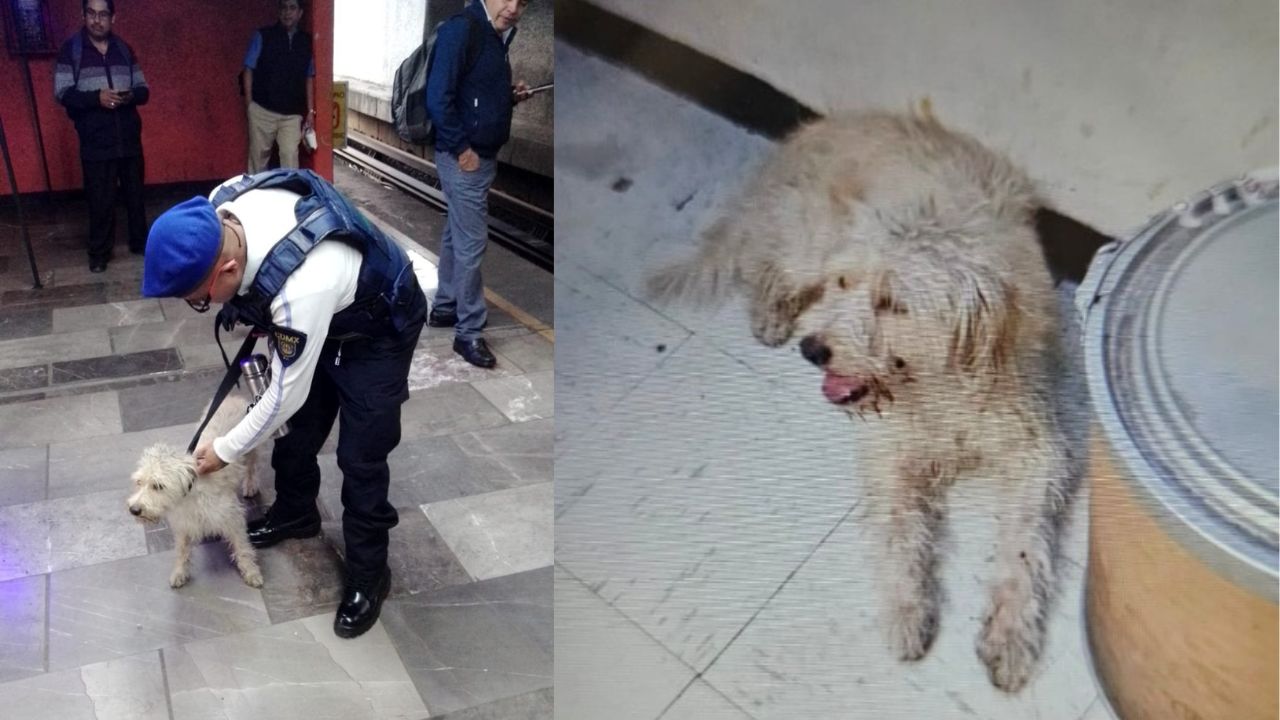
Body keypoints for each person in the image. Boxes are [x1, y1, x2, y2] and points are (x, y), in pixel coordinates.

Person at [140, 169, 427, 639]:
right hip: (326, 316)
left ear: (228, 270)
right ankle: (297, 511)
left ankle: (369, 572)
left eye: (201, 300)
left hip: (379, 330)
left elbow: (283, 395)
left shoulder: (303, 286)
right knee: (296, 435)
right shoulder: (221, 204)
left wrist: (226, 449)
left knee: (361, 458)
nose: (206, 307)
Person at [424, 0, 532, 368]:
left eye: (524, 2)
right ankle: (468, 332)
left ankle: (445, 306)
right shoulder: (462, 29)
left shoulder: (496, 35)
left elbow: (476, 92)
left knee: (457, 234)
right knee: (472, 243)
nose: (515, 7)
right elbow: (439, 96)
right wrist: (462, 148)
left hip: (481, 156)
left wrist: (508, 96)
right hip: (465, 158)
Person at [53, 0, 150, 273]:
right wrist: (97, 98)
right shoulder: (71, 50)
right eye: (92, 14)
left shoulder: (123, 49)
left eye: (103, 14)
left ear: (113, 18)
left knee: (135, 195)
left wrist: (130, 95)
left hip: (129, 137)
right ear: (83, 16)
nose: (97, 20)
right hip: (95, 141)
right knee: (100, 199)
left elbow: (144, 89)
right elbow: (62, 93)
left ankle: (140, 243)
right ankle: (99, 253)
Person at [242, 0, 315, 172]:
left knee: (290, 160)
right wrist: (249, 105)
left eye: (292, 8)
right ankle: (255, 197)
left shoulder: (305, 41)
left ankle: (287, 197)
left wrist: (310, 111)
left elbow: (309, 76)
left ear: (300, 13)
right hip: (262, 111)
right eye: (283, 8)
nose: (287, 13)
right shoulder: (263, 35)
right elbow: (248, 69)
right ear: (278, 11)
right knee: (258, 161)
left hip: (291, 116)